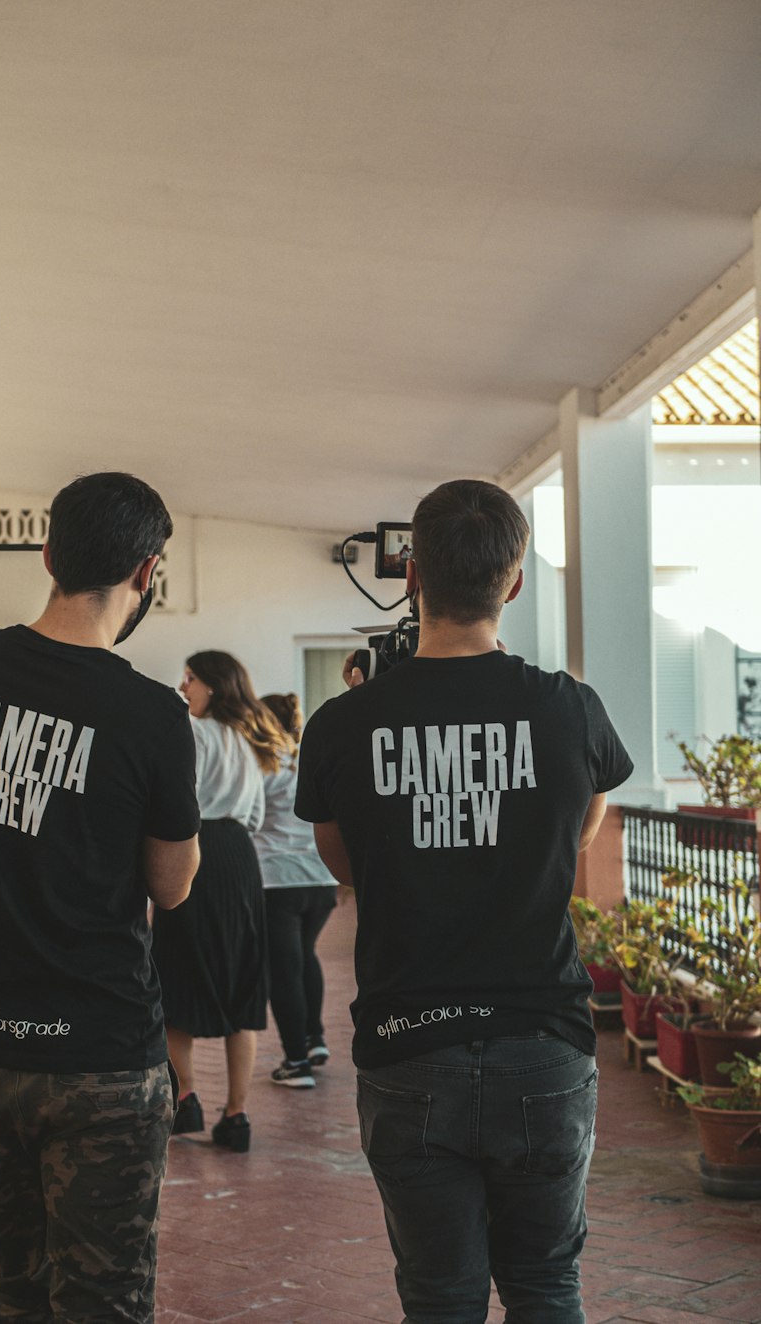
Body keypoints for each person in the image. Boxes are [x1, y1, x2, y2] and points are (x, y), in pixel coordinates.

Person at [295, 479, 633, 1324]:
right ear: (512, 583)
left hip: (409, 1043)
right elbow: (582, 833)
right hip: (542, 1043)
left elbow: (345, 865)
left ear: (413, 575)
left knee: (440, 1298)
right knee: (547, 1287)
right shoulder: (568, 710)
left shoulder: (344, 723)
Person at [0, 472, 200, 1323]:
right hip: (101, 1054)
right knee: (103, 1300)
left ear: (49, 554)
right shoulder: (150, 714)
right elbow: (172, 888)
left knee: (17, 1289)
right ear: (148, 572)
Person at [153, 651, 292, 1152]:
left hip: (194, 850)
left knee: (176, 978)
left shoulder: (192, 732)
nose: (182, 686)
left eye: (189, 678)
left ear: (211, 686)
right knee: (242, 982)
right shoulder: (254, 738)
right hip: (240, 856)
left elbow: (173, 798)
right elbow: (257, 811)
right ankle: (237, 1115)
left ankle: (185, 1097)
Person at [255, 693, 337, 1088]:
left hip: (277, 879)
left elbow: (250, 817)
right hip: (320, 878)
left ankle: (295, 1063)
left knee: (282, 970)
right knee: (306, 955)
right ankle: (314, 1038)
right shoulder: (309, 758)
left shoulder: (264, 764)